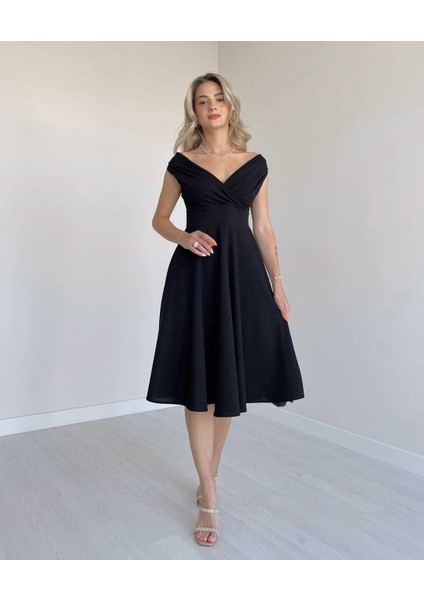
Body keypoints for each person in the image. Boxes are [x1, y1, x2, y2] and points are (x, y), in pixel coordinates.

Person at [146, 72, 304, 547]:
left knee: (226, 381)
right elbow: (159, 219)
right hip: (195, 278)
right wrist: (184, 236)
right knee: (199, 384)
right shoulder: (182, 163)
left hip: (241, 277)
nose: (212, 105)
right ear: (194, 112)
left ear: (229, 106)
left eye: (218, 98)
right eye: (202, 101)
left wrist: (278, 284)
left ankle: (208, 475)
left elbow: (264, 228)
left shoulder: (255, 164)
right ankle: (209, 494)